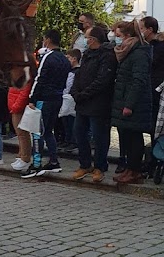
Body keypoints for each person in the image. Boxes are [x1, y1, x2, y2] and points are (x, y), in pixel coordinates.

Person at [22, 29, 71, 178]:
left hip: (44, 99)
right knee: (48, 131)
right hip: (57, 98)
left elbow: (39, 79)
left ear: (48, 40)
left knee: (37, 132)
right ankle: (54, 161)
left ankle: (36, 164)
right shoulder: (64, 58)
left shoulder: (47, 57)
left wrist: (32, 99)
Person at [71, 25, 117, 183]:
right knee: (79, 132)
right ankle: (84, 164)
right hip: (83, 103)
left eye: (87, 38)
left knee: (100, 136)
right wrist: (76, 91)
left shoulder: (107, 55)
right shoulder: (87, 54)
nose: (85, 40)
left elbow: (103, 79)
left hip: (98, 103)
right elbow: (80, 74)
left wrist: (85, 94)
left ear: (94, 39)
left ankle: (100, 166)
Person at [112, 19, 152, 185]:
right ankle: (129, 168)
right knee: (126, 136)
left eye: (119, 35)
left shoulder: (139, 53)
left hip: (133, 103)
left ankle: (134, 170)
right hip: (124, 99)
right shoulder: (129, 51)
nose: (116, 38)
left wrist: (129, 104)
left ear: (128, 35)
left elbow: (138, 80)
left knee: (134, 137)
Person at [139, 16, 164, 157]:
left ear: (150, 29)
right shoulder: (145, 46)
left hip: (156, 91)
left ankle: (155, 158)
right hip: (147, 90)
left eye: (142, 28)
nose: (140, 31)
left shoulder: (157, 47)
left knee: (156, 127)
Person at [8, 75, 32, 173]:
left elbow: (24, 94)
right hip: (14, 107)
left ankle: (25, 158)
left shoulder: (26, 78)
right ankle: (21, 154)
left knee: (22, 133)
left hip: (18, 108)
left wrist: (16, 106)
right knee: (20, 134)